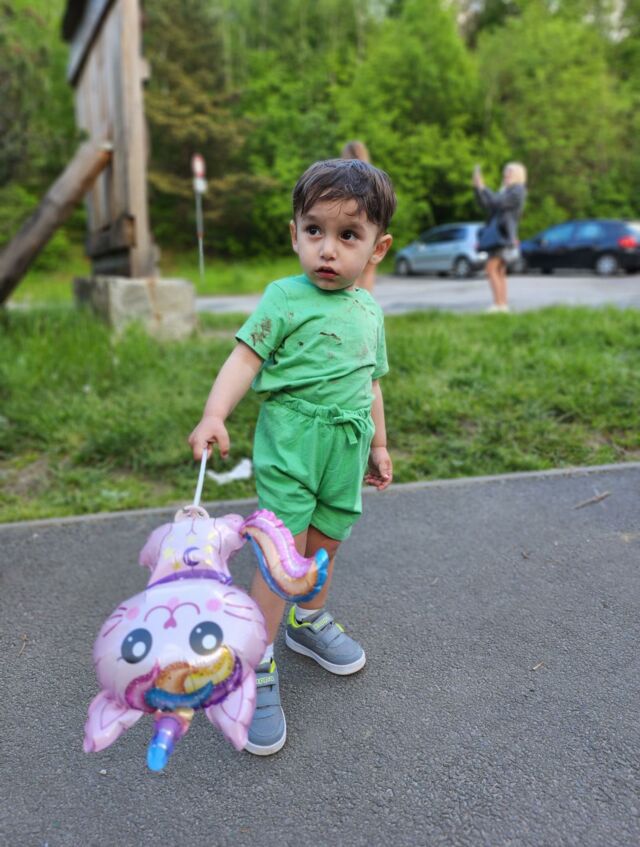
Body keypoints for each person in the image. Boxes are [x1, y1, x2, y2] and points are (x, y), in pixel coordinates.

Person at [188, 158, 396, 755]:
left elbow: (371, 382)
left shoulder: (369, 311)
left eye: (348, 235)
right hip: (292, 443)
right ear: (295, 234)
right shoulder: (284, 297)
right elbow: (244, 359)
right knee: (284, 553)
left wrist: (379, 445)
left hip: (346, 446)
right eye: (314, 231)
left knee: (327, 539)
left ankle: (306, 621)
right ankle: (255, 660)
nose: (327, 249)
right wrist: (215, 414)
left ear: (377, 248)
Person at [473, 161, 527, 313]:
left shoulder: (518, 191)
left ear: (517, 175)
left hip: (503, 236)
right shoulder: (506, 190)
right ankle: (502, 304)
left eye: (509, 172)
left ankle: (499, 305)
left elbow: (497, 202)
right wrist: (478, 189)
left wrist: (483, 187)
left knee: (491, 268)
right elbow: (487, 205)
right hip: (499, 235)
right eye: (505, 172)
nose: (505, 175)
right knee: (499, 271)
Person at [341, 141, 377, 292]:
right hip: (372, 229)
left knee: (352, 272)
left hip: (351, 230)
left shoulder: (343, 177)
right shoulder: (374, 178)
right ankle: (366, 304)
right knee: (369, 270)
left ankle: (351, 304)